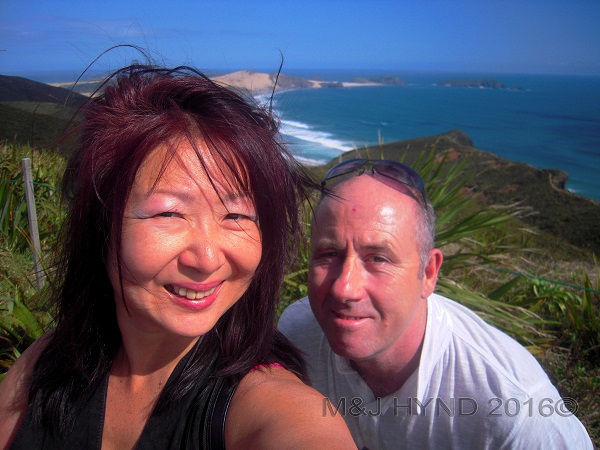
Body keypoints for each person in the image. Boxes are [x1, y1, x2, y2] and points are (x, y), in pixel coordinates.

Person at [0, 65, 355, 449]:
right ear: (100, 228)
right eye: (168, 213)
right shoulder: (46, 365)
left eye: (236, 216)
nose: (205, 259)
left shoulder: (270, 408)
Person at [278, 158, 593, 449]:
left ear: (428, 273)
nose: (344, 288)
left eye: (378, 259)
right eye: (329, 254)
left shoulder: (516, 413)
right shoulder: (296, 333)